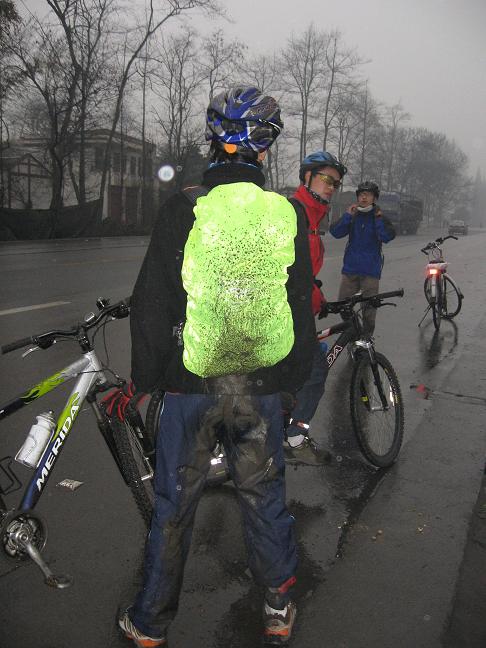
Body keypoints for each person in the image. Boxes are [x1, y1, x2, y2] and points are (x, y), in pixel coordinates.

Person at [118, 86, 316, 647]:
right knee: (264, 499)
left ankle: (150, 624)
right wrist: (292, 383)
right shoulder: (287, 212)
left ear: (214, 142)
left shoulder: (183, 206)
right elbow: (298, 300)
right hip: (260, 387)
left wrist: (145, 384)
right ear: (265, 148)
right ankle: (278, 610)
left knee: (174, 509)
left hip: (189, 389)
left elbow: (153, 302)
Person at [284, 151, 347, 466]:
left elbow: (303, 272)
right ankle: (294, 437)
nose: (331, 187)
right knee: (316, 370)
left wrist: (316, 296)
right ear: (306, 177)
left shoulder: (312, 219)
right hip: (285, 315)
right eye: (325, 179)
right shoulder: (293, 213)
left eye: (335, 183)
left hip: (297, 310)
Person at [329, 180, 396, 335]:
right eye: (361, 194)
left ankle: (366, 340)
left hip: (370, 271)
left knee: (369, 311)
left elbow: (385, 237)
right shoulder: (353, 216)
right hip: (350, 270)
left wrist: (378, 219)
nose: (364, 198)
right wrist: (347, 215)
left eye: (368, 195)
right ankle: (354, 332)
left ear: (374, 198)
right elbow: (336, 233)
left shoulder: (380, 218)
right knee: (343, 306)